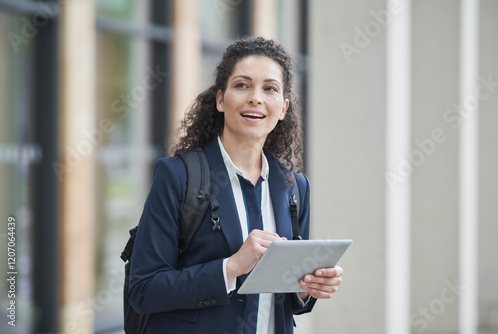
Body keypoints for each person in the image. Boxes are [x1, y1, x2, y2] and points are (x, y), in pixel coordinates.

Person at [128, 36, 343, 334]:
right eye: (242, 85)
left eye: (270, 88)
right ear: (220, 99)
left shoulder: (294, 186)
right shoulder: (178, 176)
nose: (256, 97)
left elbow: (289, 299)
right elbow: (144, 289)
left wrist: (308, 286)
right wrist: (231, 267)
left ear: (282, 108)